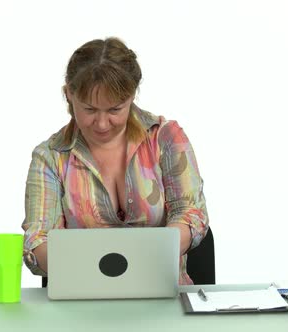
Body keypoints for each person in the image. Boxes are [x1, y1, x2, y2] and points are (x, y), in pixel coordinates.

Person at [21, 37, 209, 285]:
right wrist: (70, 263)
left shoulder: (165, 138)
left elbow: (191, 213)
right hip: (80, 302)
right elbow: (37, 240)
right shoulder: (51, 157)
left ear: (131, 96)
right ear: (69, 95)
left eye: (114, 110)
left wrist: (161, 251)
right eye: (89, 109)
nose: (101, 124)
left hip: (163, 295)